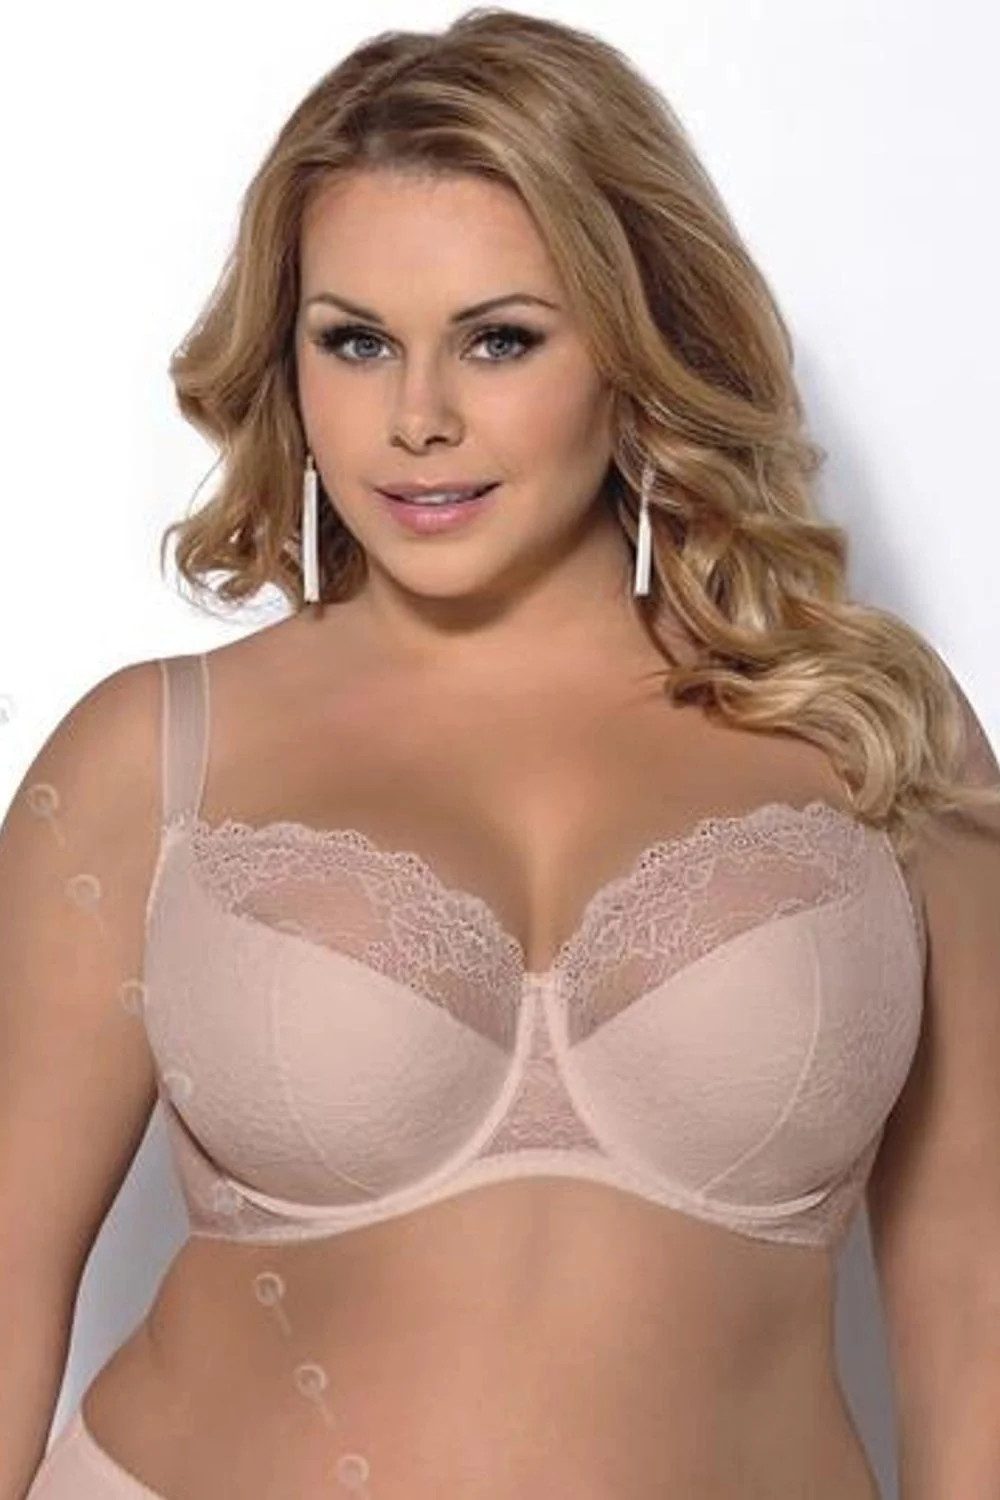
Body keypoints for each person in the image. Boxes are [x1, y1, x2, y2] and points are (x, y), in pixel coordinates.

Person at [4, 10, 999, 1499]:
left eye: (500, 339)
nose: (418, 419)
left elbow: (977, 1301)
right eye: (355, 342)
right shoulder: (149, 757)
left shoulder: (875, 734)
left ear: (638, 346)